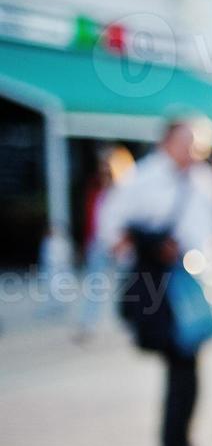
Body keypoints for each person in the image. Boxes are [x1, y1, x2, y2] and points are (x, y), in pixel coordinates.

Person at [98, 117, 212, 446]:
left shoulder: (202, 179)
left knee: (185, 369)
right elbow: (111, 226)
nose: (194, 149)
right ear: (168, 141)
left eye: (199, 142)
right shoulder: (145, 178)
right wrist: (150, 248)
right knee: (183, 367)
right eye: (188, 141)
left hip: (194, 285)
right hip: (162, 288)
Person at [75, 146, 135, 343]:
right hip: (100, 244)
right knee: (95, 286)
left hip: (122, 246)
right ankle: (89, 324)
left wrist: (125, 241)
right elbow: (93, 219)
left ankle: (130, 321)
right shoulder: (98, 190)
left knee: (128, 287)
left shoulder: (128, 190)